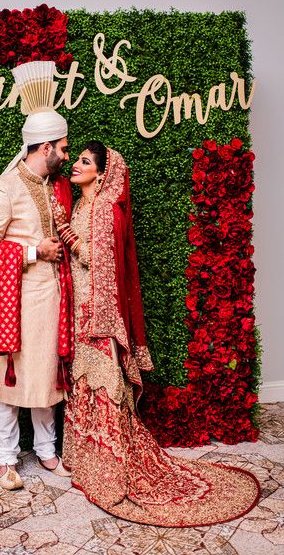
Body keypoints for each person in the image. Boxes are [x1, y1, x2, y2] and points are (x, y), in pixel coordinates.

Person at [51, 140, 260, 526]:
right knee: (84, 386)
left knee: (104, 386)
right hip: (80, 313)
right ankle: (86, 464)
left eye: (84, 161)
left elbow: (95, 260)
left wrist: (64, 232)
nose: (77, 166)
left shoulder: (104, 210)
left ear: (102, 171)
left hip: (98, 318)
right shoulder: (83, 204)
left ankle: (110, 472)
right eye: (77, 159)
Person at [0, 61, 73, 491]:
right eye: (63, 149)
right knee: (12, 381)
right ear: (44, 147)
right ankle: (5, 457)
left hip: (52, 298)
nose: (67, 156)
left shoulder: (54, 186)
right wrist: (35, 250)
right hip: (15, 301)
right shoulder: (3, 189)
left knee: (47, 376)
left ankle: (48, 450)